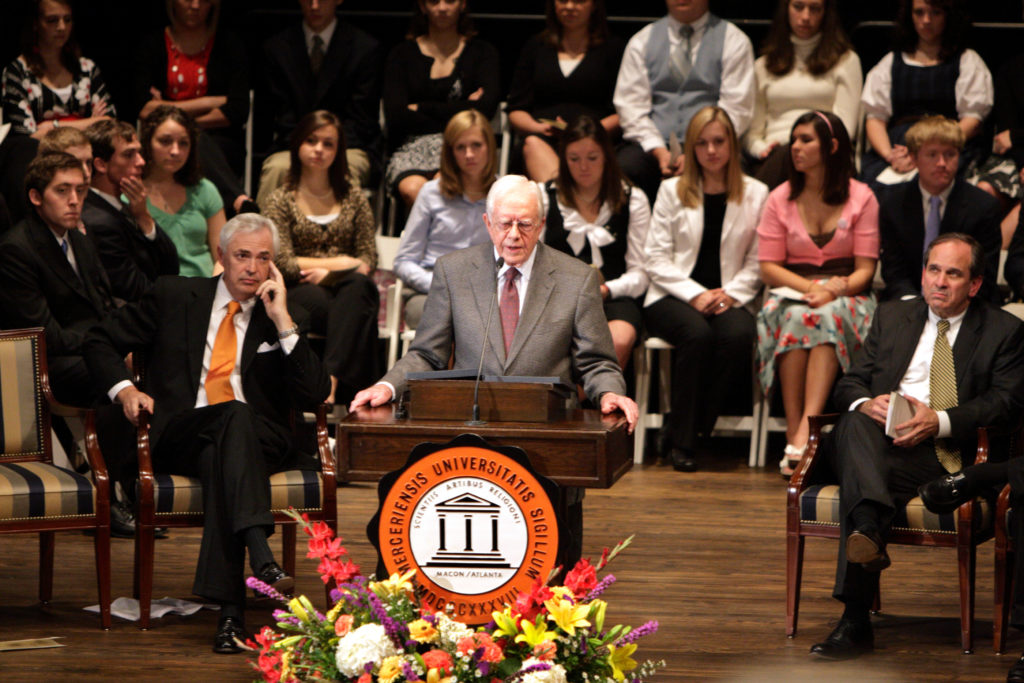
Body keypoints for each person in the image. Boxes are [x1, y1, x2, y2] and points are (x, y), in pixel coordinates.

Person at [83, 213, 331, 654]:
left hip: (261, 439)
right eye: (242, 256)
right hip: (181, 432)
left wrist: (282, 320)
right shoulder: (174, 295)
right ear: (220, 256)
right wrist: (125, 390)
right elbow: (98, 341)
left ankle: (234, 608)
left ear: (274, 265)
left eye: (263, 258)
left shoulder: (285, 314)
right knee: (227, 428)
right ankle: (259, 561)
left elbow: (314, 392)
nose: (252, 268)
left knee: (230, 429)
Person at [808, 233, 1024, 661]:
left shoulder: (1005, 331)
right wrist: (867, 402)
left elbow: (1005, 404)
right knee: (854, 422)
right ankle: (866, 535)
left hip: (942, 456)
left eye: (953, 273)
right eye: (933, 269)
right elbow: (850, 381)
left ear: (975, 284)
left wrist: (938, 422)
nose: (939, 282)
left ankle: (855, 616)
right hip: (876, 442)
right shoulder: (892, 316)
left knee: (864, 478)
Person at [350, 174, 637, 427]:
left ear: (541, 226)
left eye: (524, 224)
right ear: (488, 223)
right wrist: (387, 386)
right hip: (473, 422)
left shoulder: (576, 278)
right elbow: (427, 354)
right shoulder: (453, 271)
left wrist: (609, 392)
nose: (514, 235)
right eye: (504, 224)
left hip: (549, 424)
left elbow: (596, 361)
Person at [756, 110, 880, 477]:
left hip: (848, 294)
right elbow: (769, 266)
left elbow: (866, 269)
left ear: (832, 146)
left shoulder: (862, 197)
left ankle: (801, 434)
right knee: (797, 315)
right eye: (794, 139)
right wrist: (812, 288)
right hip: (794, 291)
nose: (795, 147)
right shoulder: (780, 198)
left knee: (822, 317)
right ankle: (800, 430)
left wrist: (834, 290)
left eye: (805, 140)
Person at [644, 106, 767, 472]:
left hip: (730, 294)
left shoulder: (756, 192)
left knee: (739, 335)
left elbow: (759, 260)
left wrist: (730, 294)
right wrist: (695, 294)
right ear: (691, 148)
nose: (711, 150)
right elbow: (655, 258)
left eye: (719, 141)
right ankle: (684, 442)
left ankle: (690, 427)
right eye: (702, 143)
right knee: (696, 334)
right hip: (672, 294)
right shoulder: (671, 190)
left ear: (732, 143)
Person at [262, 110, 379, 406]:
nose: (319, 149)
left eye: (328, 144)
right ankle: (347, 391)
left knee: (359, 289)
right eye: (311, 141)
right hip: (301, 292)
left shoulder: (354, 198)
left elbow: (368, 259)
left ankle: (329, 381)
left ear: (338, 151)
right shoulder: (280, 199)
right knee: (350, 305)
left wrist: (333, 273)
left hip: (346, 293)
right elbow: (283, 262)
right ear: (298, 144)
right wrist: (341, 262)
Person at [0, 152, 115, 409]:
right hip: (48, 363)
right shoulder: (15, 250)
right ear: (36, 197)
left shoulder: (80, 239)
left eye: (81, 190)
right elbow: (43, 334)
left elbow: (104, 303)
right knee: (111, 374)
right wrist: (105, 345)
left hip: (89, 348)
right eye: (62, 191)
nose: (74, 201)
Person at [613, 0, 755, 204]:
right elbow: (630, 106)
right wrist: (659, 151)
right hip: (654, 143)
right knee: (626, 168)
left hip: (711, 141)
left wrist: (697, 149)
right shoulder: (642, 40)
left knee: (734, 169)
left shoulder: (733, 40)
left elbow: (737, 108)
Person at [543, 114, 650, 370]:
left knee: (619, 339)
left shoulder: (632, 199)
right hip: (558, 298)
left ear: (606, 156)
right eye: (574, 159)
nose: (583, 167)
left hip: (614, 297)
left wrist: (606, 290)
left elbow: (641, 272)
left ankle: (587, 406)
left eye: (592, 158)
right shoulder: (545, 197)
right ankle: (572, 407)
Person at [133, 0, 256, 216]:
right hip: (164, 137)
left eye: (204, 0)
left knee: (196, 140)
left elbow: (237, 110)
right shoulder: (152, 44)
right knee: (183, 139)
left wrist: (170, 110)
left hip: (220, 141)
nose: (196, 5)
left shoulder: (229, 44)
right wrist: (211, 102)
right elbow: (143, 108)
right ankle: (239, 200)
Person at [259, 0, 382, 204]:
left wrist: (327, 145)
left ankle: (341, 235)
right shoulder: (277, 47)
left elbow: (362, 116)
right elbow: (280, 113)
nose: (314, 6)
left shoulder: (364, 48)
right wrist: (308, 145)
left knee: (345, 171)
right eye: (308, 0)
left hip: (348, 146)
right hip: (293, 143)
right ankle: (260, 235)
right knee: (275, 169)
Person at [860, 0, 992, 187]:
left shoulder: (966, 61)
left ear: (948, 16)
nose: (926, 20)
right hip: (901, 148)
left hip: (947, 146)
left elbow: (973, 119)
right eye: (919, 13)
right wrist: (892, 155)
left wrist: (932, 150)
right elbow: (875, 119)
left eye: (935, 13)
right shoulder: (891, 62)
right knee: (876, 188)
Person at [382, 0, 499, 208]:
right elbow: (396, 116)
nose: (442, 7)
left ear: (462, 4)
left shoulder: (482, 53)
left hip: (464, 146)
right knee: (413, 189)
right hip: (411, 146)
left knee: (444, 186)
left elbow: (485, 111)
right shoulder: (401, 55)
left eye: (450, 1)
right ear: (422, 6)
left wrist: (421, 107)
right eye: (434, 1)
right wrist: (463, 107)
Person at [877, 115, 1001, 302]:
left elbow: (984, 275)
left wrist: (948, 307)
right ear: (914, 158)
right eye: (932, 154)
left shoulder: (983, 206)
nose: (942, 163)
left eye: (950, 154)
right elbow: (894, 271)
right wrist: (914, 305)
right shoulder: (893, 203)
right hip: (908, 303)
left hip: (964, 306)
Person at [394, 109, 496, 328]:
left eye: (476, 145)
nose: (469, 154)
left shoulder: (503, 194)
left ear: (489, 147)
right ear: (450, 152)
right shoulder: (431, 193)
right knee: (441, 318)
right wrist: (439, 284)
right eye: (461, 147)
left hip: (484, 293)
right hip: (432, 289)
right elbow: (404, 261)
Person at [744, 0, 862, 189]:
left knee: (795, 152)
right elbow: (752, 133)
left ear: (826, 13)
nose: (806, 17)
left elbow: (844, 129)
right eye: (798, 7)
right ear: (786, 10)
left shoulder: (846, 61)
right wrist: (761, 149)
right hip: (775, 153)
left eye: (815, 9)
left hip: (826, 154)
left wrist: (809, 146)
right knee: (787, 154)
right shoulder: (763, 65)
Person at [506, 0, 624, 183]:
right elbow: (515, 109)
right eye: (562, 0)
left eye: (578, 1)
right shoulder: (536, 46)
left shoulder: (613, 49)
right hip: (543, 139)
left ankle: (570, 204)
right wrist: (537, 127)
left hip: (594, 140)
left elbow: (624, 112)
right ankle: (563, 203)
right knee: (532, 144)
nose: (569, 7)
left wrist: (582, 132)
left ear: (593, 5)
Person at [83, 119, 179, 303]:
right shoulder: (97, 219)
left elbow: (171, 267)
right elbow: (133, 289)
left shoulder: (126, 206)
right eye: (129, 155)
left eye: (139, 153)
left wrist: (144, 217)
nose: (141, 162)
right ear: (101, 165)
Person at [1, 0, 115, 139]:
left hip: (86, 156)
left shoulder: (86, 68)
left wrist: (53, 125)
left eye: (67, 20)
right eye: (52, 20)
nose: (61, 27)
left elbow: (109, 123)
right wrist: (90, 122)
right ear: (36, 23)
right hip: (39, 158)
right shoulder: (17, 72)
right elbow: (28, 135)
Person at [140, 105, 226, 278]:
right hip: (158, 291)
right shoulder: (132, 193)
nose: (175, 151)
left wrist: (213, 291)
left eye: (183, 143)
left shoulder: (204, 189)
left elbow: (223, 257)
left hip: (204, 288)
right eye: (165, 141)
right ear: (148, 143)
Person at [971, 53, 1024, 248]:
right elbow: (1004, 137)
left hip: (1019, 145)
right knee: (985, 191)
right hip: (1016, 157)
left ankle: (984, 261)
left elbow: (1012, 136)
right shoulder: (1012, 68)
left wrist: (1017, 135)